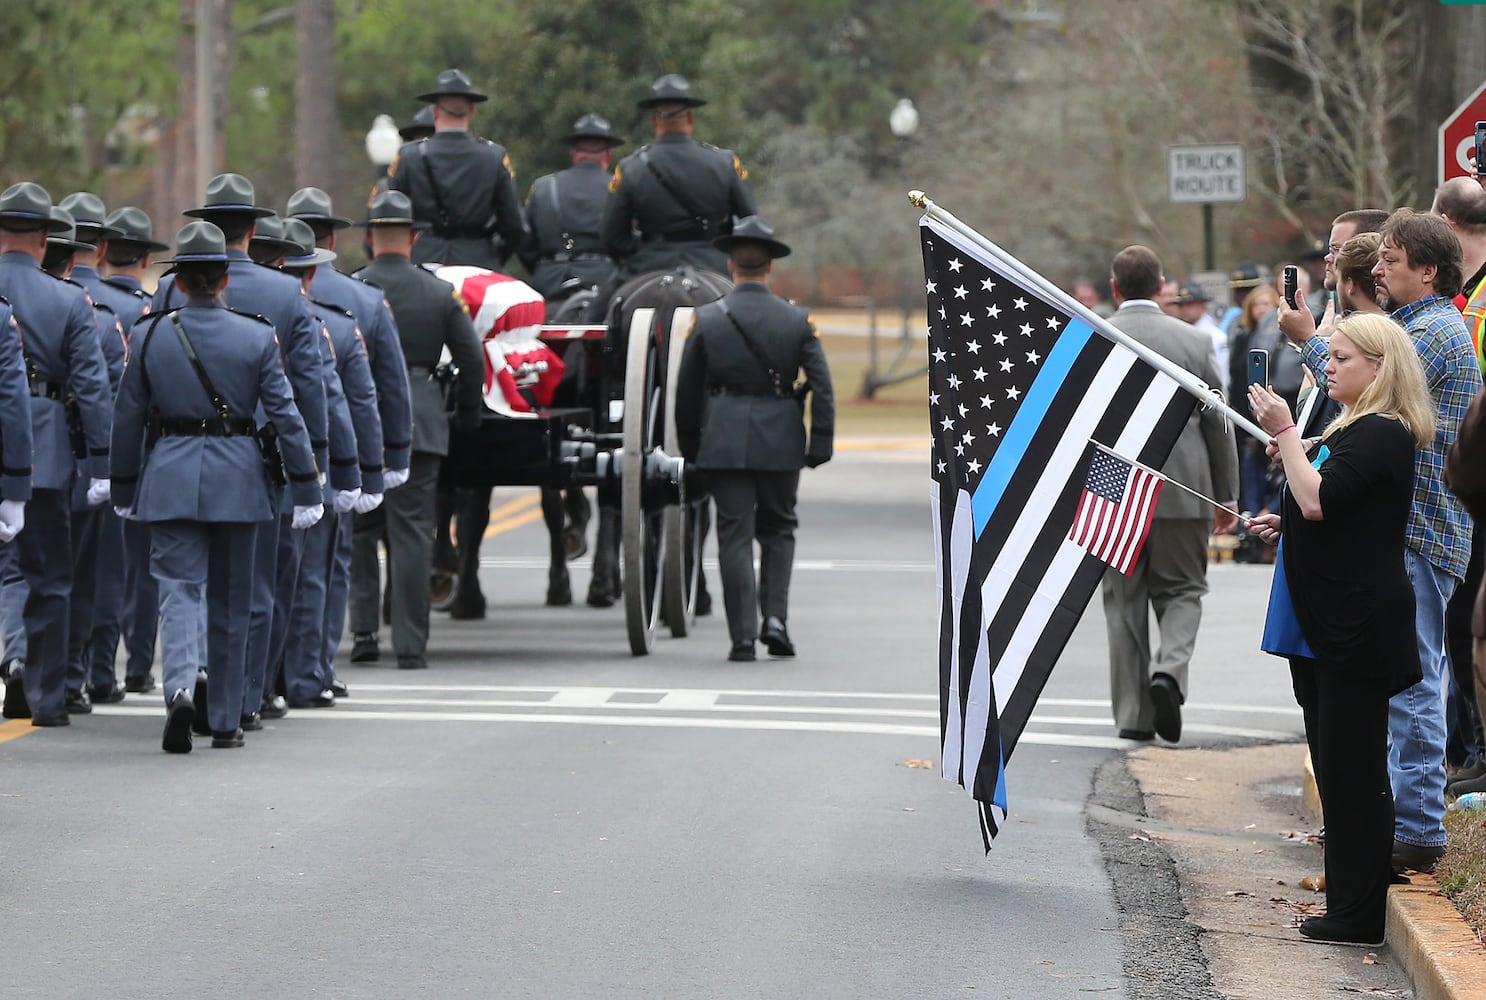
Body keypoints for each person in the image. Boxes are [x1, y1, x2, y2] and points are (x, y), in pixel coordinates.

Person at [1290, 208, 1481, 872]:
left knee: (1415, 682)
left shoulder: (1435, 331)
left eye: (1391, 260)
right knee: (1396, 683)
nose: (1377, 268)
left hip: (1425, 532)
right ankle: (1401, 818)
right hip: (1403, 532)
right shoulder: (1413, 324)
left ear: (1429, 269)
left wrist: (1309, 343)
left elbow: (1371, 393)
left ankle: (1421, 830)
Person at [1248, 313, 1435, 945]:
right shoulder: (1354, 426)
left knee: (1354, 771)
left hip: (1357, 624)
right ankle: (1346, 901)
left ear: (1380, 370)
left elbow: (1319, 499)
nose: (1328, 365)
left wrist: (1287, 436)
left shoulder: (1385, 430)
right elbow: (1325, 508)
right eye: (1331, 357)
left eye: (1343, 358)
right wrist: (1285, 524)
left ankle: (1358, 915)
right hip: (1328, 620)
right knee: (1335, 766)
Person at [111, 221, 321, 752]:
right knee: (233, 599)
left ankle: (181, 686)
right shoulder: (255, 335)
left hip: (171, 473)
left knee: (179, 590)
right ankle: (225, 717)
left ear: (178, 282)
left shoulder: (150, 334)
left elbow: (127, 416)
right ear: (225, 278)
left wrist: (122, 485)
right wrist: (306, 483)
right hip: (240, 477)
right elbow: (286, 415)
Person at [156, 173, 332, 731]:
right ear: (255, 229)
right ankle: (243, 702)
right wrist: (313, 470)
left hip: (176, 457)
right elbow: (306, 390)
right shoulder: (286, 294)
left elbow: (144, 386)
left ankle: (191, 680)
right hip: (259, 464)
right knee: (252, 590)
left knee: (187, 585)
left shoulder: (167, 292)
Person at [675, 216, 833, 661]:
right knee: (780, 529)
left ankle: (742, 637)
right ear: (769, 268)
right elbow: (821, 385)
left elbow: (687, 394)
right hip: (781, 438)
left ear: (731, 266)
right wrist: (820, 443)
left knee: (734, 535)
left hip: (723, 440)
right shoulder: (798, 319)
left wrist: (692, 448)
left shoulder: (706, 320)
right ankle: (776, 621)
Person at [1100, 245, 1239, 742]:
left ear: (1115, 288)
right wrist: (1227, 493)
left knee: (1123, 599)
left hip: (1112, 489)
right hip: (1184, 486)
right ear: (1162, 288)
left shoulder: (1093, 334)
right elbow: (1217, 420)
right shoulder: (1195, 343)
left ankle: (1135, 716)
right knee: (1183, 589)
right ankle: (1169, 672)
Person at [352, 191, 483, 670]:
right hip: (419, 417)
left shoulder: (353, 288)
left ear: (369, 239)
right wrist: (466, 414)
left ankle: (364, 632)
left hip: (360, 420)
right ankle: (410, 644)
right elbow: (470, 359)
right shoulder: (437, 293)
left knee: (361, 527)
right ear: (411, 238)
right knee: (411, 533)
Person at [284, 186, 412, 667]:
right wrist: (390, 458)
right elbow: (382, 390)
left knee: (274, 567)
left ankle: (275, 673)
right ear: (331, 241)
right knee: (327, 563)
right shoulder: (366, 300)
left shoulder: (262, 291)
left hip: (270, 447)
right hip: (340, 450)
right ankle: (313, 668)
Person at [0, 183, 113, 729]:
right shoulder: (68, 301)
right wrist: (98, 466)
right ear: (46, 239)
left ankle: (13, 656)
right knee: (49, 577)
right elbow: (92, 390)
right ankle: (46, 696)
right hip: (44, 451)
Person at [98, 205, 168, 697]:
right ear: (145, 257)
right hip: (147, 450)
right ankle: (139, 665)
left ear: (102, 253)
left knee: (99, 564)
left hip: (90, 450)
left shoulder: (86, 302)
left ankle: (93, 666)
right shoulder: (152, 311)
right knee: (144, 565)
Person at [1432, 177, 1486, 784]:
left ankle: (1476, 754)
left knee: (1469, 618)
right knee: (1463, 623)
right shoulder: (1465, 295)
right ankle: (1470, 753)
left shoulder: (1477, 300)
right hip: (1466, 486)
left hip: (1473, 492)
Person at [601, 73, 757, 279]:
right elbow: (751, 222)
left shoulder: (630, 168)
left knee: (598, 310)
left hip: (649, 265)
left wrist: (645, 248)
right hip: (715, 266)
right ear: (690, 118)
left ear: (654, 120)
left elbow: (612, 238)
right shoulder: (725, 162)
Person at [387, 69, 527, 272]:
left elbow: (392, 215)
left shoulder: (409, 157)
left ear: (435, 112)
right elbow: (515, 225)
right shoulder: (494, 156)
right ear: (472, 111)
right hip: (479, 264)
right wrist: (492, 254)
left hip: (423, 263)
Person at [520, 113, 625, 301]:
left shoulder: (543, 187)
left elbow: (525, 244)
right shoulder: (619, 188)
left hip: (550, 284)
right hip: (606, 284)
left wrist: (547, 267)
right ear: (608, 155)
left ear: (574, 154)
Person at [1171, 284, 1228, 395]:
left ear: (1203, 306)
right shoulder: (1177, 333)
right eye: (1181, 305)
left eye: (1189, 304)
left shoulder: (1216, 337)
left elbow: (1223, 376)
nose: (1184, 309)